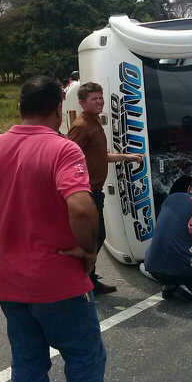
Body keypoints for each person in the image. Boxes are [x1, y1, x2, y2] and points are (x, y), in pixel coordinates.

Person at [0, 76, 138, 382]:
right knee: (84, 355)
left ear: (19, 108)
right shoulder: (62, 150)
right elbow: (80, 205)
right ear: (59, 107)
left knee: (27, 365)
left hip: (11, 282)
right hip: (57, 280)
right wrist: (88, 249)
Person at [67, 82, 143, 295]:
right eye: (94, 99)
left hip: (96, 190)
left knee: (96, 236)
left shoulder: (95, 122)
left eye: (101, 98)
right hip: (87, 192)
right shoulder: (81, 125)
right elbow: (67, 157)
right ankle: (83, 279)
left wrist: (126, 157)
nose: (100, 102)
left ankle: (87, 277)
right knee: (95, 236)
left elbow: (100, 155)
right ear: (83, 102)